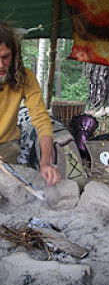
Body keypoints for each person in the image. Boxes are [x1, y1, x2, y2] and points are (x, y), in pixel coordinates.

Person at [0, 23, 60, 186]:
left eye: (5, 57)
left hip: (8, 147)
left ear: (15, 54)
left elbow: (41, 119)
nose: (1, 65)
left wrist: (46, 162)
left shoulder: (25, 77)